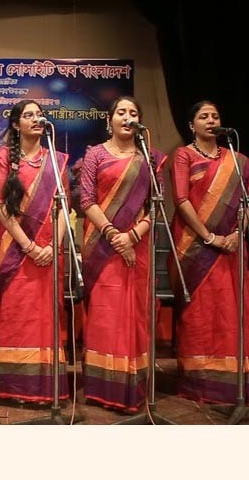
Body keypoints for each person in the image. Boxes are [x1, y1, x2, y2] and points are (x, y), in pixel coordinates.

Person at [169, 100, 249, 406]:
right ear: (192, 125)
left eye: (215, 116)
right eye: (203, 116)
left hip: (231, 247)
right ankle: (203, 381)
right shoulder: (184, 155)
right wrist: (210, 236)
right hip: (195, 246)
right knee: (201, 313)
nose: (211, 120)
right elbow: (180, 199)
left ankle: (237, 381)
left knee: (231, 310)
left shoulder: (235, 159)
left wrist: (236, 234)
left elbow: (246, 204)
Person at [79, 96, 165, 413]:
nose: (127, 117)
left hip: (137, 247)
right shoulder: (94, 155)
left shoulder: (150, 158)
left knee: (136, 314)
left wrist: (132, 236)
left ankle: (134, 386)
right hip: (102, 248)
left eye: (133, 113)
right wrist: (115, 235)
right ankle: (105, 388)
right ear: (109, 119)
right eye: (121, 112)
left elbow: (156, 205)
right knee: (105, 315)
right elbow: (87, 200)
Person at [0, 99, 69, 403]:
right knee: (17, 316)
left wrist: (51, 246)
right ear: (15, 124)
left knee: (45, 318)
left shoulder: (57, 160)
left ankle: (45, 386)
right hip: (16, 250)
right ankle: (14, 387)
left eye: (39, 114)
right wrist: (30, 246)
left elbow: (64, 207)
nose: (37, 119)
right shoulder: (4, 157)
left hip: (50, 252)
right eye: (28, 115)